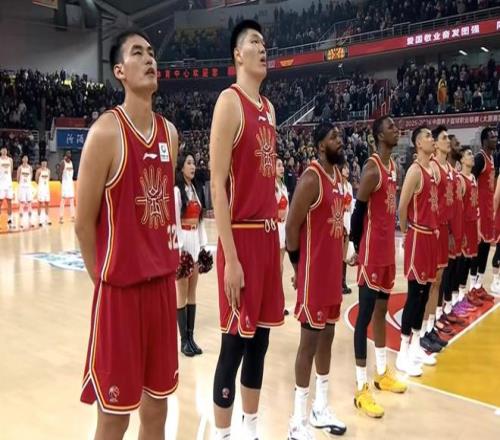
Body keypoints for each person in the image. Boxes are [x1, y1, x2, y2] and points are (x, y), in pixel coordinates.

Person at [76, 29, 179, 440]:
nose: (150, 59)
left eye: (152, 52)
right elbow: (83, 223)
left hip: (162, 290)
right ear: (119, 71)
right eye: (138, 53)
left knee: (157, 409)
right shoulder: (105, 132)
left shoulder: (170, 134)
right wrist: (103, 280)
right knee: (115, 417)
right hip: (120, 294)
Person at [210, 20, 284, 440]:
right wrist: (231, 259)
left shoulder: (269, 109)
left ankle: (250, 430)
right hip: (240, 237)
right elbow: (217, 185)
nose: (263, 47)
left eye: (264, 42)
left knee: (260, 342)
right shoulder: (229, 101)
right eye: (255, 42)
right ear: (238, 54)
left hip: (267, 236)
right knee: (234, 344)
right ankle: (223, 435)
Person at [286, 123, 347, 439]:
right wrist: (299, 268)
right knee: (308, 343)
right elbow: (290, 228)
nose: (340, 140)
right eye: (333, 137)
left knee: (328, 338)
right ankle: (297, 420)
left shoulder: (339, 179)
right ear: (321, 145)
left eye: (339, 135)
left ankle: (320, 407)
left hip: (333, 274)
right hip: (313, 275)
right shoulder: (311, 178)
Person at [350, 116, 406, 418]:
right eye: (390, 127)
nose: (396, 130)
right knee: (364, 318)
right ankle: (361, 388)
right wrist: (353, 245)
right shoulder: (372, 169)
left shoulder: (394, 166)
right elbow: (358, 211)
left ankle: (382, 371)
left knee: (382, 312)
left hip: (387, 253)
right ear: (378, 136)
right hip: (371, 253)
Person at [396, 126, 439, 377]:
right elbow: (402, 206)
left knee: (424, 295)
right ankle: (402, 352)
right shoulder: (414, 171)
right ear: (417, 144)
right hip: (418, 235)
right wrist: (406, 231)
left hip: (430, 237)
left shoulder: (432, 170)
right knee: (414, 295)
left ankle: (414, 346)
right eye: (428, 136)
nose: (432, 139)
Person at [419, 125, 453, 354]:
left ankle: (430, 326)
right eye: (443, 138)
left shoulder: (447, 168)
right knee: (429, 283)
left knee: (437, 281)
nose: (447, 141)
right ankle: (421, 331)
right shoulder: (431, 167)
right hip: (432, 229)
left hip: (442, 229)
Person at [175, 151, 208, 357]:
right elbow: (175, 221)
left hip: (195, 240)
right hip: (183, 243)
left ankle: (191, 337)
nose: (193, 166)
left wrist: (203, 245)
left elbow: (200, 220)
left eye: (194, 163)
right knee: (181, 292)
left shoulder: (195, 190)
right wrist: (179, 250)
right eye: (189, 163)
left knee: (192, 292)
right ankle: (183, 341)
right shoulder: (177, 192)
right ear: (181, 167)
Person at [470, 127, 498, 296]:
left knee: (486, 247)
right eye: (492, 137)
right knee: (478, 249)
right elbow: (470, 180)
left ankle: (479, 284)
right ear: (484, 140)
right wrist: (475, 208)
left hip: (488, 211)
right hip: (479, 211)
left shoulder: (492, 158)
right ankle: (471, 287)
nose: (495, 139)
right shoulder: (480, 158)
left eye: (495, 136)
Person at [341, 164, 353, 294]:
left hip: (347, 219)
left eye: (347, 168)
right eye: (344, 168)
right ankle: (338, 282)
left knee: (344, 255)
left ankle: (343, 281)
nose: (347, 170)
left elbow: (351, 206)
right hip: (340, 221)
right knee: (339, 253)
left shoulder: (349, 186)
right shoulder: (338, 185)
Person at [276, 156, 289, 273]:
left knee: (280, 263)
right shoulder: (270, 187)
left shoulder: (284, 187)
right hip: (275, 227)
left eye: (282, 165)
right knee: (274, 263)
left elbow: (287, 209)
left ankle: (279, 284)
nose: (282, 168)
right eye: (278, 166)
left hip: (283, 227)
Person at [17, 154, 34, 229]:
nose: (25, 159)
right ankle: (21, 222)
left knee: (30, 203)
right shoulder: (20, 168)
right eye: (24, 158)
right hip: (22, 187)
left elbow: (31, 177)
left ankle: (30, 221)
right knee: (22, 204)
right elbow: (18, 178)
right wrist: (22, 184)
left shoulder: (30, 168)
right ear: (22, 159)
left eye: (26, 158)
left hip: (28, 187)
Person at [0, 146, 14, 230]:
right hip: (1, 184)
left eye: (5, 150)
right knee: (0, 202)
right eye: (3, 150)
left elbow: (11, 171)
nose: (4, 151)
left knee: (9, 202)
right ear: (0, 151)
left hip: (8, 184)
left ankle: (10, 219)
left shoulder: (10, 160)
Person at [59, 150, 75, 223]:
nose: (70, 154)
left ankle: (73, 216)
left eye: (70, 153)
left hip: (70, 183)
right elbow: (60, 172)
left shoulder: (71, 162)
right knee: (63, 200)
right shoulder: (63, 162)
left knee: (72, 200)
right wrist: (61, 181)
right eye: (68, 153)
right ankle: (61, 217)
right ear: (65, 154)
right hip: (65, 183)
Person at [35, 158, 51, 226]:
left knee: (47, 203)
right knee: (40, 203)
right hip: (41, 188)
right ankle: (39, 220)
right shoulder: (38, 171)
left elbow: (48, 179)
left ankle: (47, 218)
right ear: (41, 163)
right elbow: (36, 180)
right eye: (43, 162)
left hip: (46, 188)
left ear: (46, 163)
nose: (44, 163)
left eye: (45, 162)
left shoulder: (48, 171)